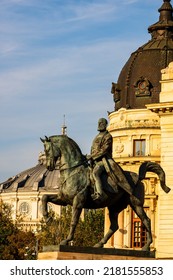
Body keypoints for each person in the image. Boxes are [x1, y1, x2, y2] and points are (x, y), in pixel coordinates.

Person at [87, 118, 134, 202]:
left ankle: (99, 193)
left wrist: (92, 157)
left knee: (95, 173)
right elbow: (93, 149)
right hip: (94, 161)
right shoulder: (97, 136)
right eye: (99, 123)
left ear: (105, 125)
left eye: (102, 123)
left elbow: (103, 150)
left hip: (104, 161)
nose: (100, 124)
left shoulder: (108, 136)